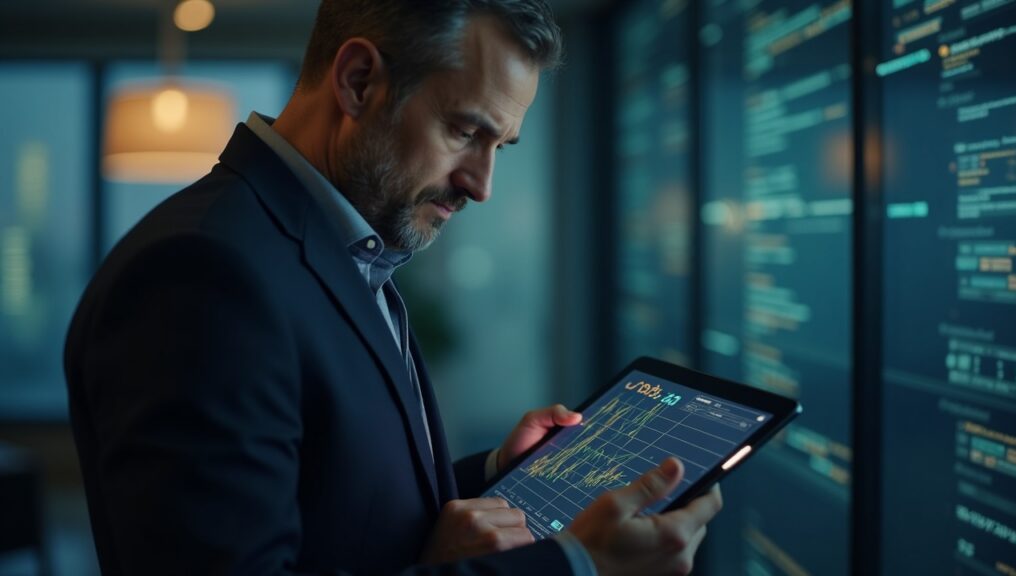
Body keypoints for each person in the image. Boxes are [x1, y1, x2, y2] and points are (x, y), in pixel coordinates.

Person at [64, 1, 723, 574]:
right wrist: (576, 563)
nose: (481, 184)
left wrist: (500, 474)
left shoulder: (343, 246)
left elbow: (337, 510)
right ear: (358, 82)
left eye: (503, 145)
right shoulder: (202, 274)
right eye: (466, 131)